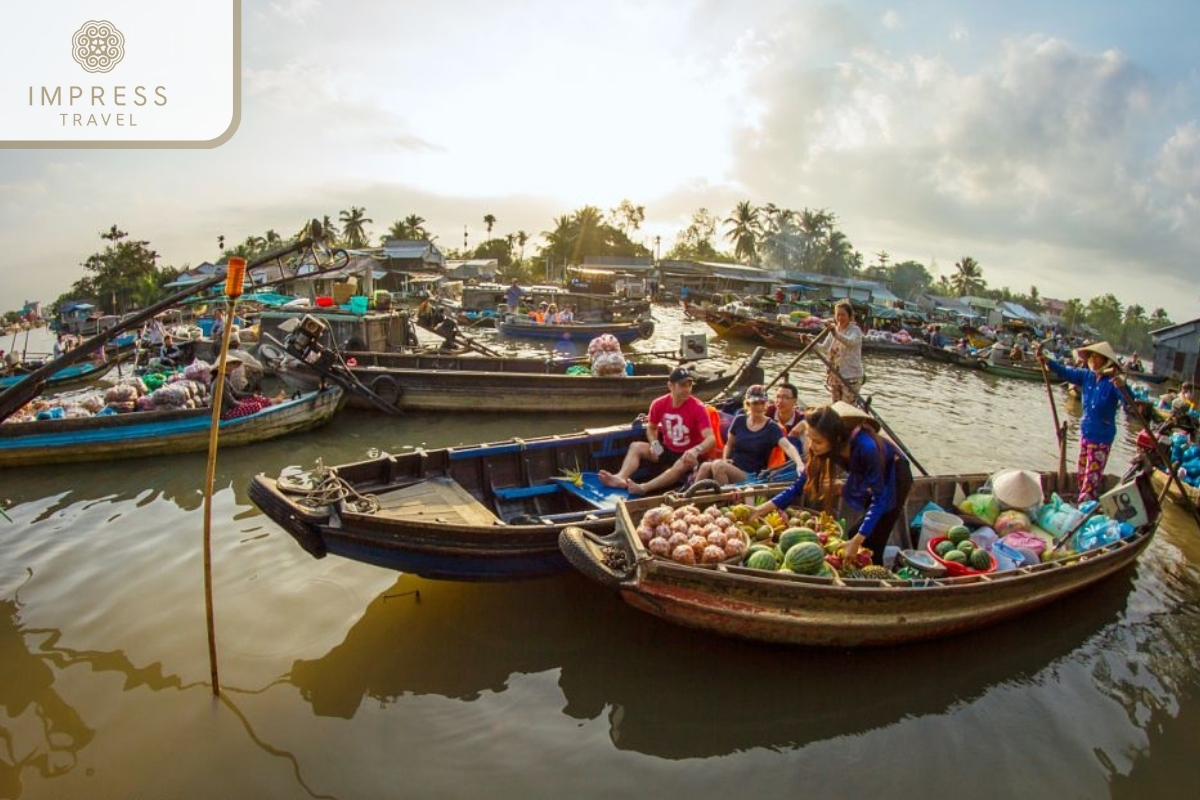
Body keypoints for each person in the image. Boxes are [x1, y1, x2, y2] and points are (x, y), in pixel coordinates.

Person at [749, 401, 913, 566]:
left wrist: (857, 541)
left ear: (836, 440)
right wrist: (761, 509)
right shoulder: (825, 446)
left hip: (896, 475)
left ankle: (875, 579)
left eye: (818, 442)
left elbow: (880, 498)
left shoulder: (866, 448)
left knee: (870, 541)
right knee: (861, 531)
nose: (813, 446)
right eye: (810, 439)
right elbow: (799, 485)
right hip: (868, 475)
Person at [1036, 340, 1129, 503]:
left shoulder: (1112, 383)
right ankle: (1082, 500)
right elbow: (1065, 372)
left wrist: (1123, 387)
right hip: (1086, 433)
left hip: (1102, 437)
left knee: (1090, 480)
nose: (1092, 360)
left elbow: (1129, 402)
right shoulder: (1087, 376)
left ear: (1105, 360)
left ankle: (1084, 506)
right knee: (1082, 473)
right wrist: (1047, 362)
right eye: (1091, 356)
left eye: (1096, 357)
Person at [598, 366, 715, 496]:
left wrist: (696, 450)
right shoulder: (659, 404)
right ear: (671, 386)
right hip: (667, 449)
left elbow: (711, 438)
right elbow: (651, 428)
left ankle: (644, 487)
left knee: (681, 463)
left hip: (689, 456)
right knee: (636, 446)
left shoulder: (698, 407)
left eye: (689, 385)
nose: (687, 389)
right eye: (682, 385)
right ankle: (621, 477)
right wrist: (654, 443)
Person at [695, 384, 803, 485]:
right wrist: (725, 458)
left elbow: (787, 446)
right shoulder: (739, 420)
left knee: (718, 465)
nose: (759, 407)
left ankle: (726, 501)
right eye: (755, 403)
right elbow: (729, 444)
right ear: (748, 404)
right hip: (732, 466)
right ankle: (689, 500)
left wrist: (799, 463)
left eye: (762, 403)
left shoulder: (772, 427)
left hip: (752, 476)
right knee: (705, 466)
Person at [814, 299, 864, 403]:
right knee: (836, 406)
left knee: (847, 407)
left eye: (843, 315)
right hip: (835, 375)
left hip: (851, 377)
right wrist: (809, 341)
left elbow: (850, 342)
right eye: (838, 315)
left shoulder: (855, 331)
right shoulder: (835, 329)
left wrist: (835, 333)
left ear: (849, 316)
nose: (840, 318)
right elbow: (824, 348)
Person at [766, 382, 808, 456]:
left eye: (785, 397)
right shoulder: (767, 412)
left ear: (795, 401)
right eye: (778, 397)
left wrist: (803, 423)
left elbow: (814, 424)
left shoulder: (799, 418)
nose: (780, 401)